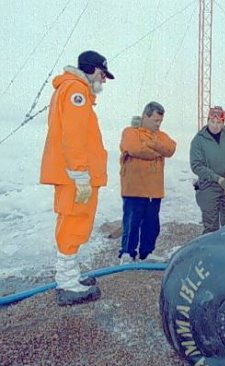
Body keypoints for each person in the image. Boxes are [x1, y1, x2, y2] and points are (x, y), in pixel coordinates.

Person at [40, 50, 114, 306]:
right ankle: (68, 283)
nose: (103, 81)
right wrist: (81, 173)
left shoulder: (73, 90)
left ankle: (69, 276)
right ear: (94, 70)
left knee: (72, 223)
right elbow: (73, 137)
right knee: (74, 223)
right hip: (75, 176)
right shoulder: (76, 92)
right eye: (103, 75)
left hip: (73, 174)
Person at [118, 102, 176, 263]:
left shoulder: (160, 135)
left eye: (160, 121)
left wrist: (152, 143)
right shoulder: (130, 132)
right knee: (132, 222)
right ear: (145, 116)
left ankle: (147, 253)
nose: (158, 124)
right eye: (155, 121)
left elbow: (171, 148)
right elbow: (135, 148)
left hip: (154, 190)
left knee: (151, 223)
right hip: (134, 189)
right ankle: (127, 253)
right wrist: (157, 151)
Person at [190, 106, 225, 234]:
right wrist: (218, 179)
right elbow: (196, 165)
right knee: (211, 227)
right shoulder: (199, 140)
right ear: (208, 120)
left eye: (219, 122)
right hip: (208, 186)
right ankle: (210, 253)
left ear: (223, 122)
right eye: (212, 122)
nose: (215, 126)